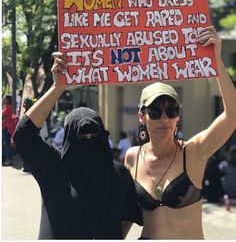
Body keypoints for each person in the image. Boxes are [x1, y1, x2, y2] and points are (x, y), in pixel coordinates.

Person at [13, 52, 142, 239]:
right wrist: (58, 88)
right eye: (82, 136)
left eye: (94, 135)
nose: (89, 141)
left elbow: (130, 212)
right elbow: (24, 135)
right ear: (69, 140)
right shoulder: (55, 168)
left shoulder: (118, 174)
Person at [124, 26, 236, 239]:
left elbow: (232, 116)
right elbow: (127, 212)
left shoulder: (194, 152)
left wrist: (216, 61)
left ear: (178, 116)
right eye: (155, 112)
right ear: (142, 116)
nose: (164, 119)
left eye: (171, 110)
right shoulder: (132, 157)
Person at [2, 95, 16, 166]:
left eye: (4, 99)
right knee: (5, 144)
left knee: (7, 144)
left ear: (7, 100)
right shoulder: (5, 108)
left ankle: (9, 159)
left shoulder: (8, 108)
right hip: (4, 128)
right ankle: (7, 158)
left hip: (6, 128)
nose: (2, 100)